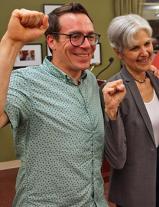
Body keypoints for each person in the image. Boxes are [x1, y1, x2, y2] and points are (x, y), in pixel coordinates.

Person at [0, 3, 108, 206]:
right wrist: (11, 41)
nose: (86, 45)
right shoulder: (26, 82)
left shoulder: (90, 81)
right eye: (75, 36)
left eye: (90, 36)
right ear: (52, 41)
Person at [102, 14, 159, 207]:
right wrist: (111, 113)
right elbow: (116, 158)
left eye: (147, 44)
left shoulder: (156, 80)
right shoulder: (114, 89)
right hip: (132, 188)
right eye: (134, 48)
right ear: (119, 53)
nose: (144, 52)